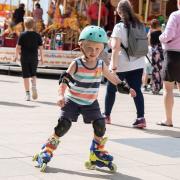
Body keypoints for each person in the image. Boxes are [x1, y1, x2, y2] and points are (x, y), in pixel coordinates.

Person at [32, 25, 136, 172]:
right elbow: (64, 80)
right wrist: (60, 95)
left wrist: (126, 88)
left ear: (102, 48)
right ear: (81, 46)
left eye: (97, 49)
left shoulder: (101, 64)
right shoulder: (77, 63)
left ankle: (96, 152)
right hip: (72, 100)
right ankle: (46, 150)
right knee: (63, 126)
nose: (93, 52)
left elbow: (113, 78)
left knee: (100, 124)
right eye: (89, 48)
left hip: (90, 102)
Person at [104, 0, 146, 127]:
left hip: (122, 63)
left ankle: (106, 115)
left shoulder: (119, 27)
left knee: (111, 90)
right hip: (138, 63)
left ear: (119, 11)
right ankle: (141, 118)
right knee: (137, 90)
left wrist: (113, 67)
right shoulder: (140, 24)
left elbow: (116, 48)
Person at [158, 0, 180, 127]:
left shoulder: (175, 15)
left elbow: (169, 34)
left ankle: (168, 120)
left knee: (168, 88)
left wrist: (161, 37)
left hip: (172, 54)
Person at [15, 17, 44, 101]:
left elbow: (18, 47)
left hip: (24, 58)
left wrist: (16, 56)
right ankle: (34, 86)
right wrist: (42, 58)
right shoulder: (37, 35)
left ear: (25, 25)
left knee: (26, 76)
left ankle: (27, 94)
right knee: (33, 74)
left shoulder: (22, 35)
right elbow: (41, 48)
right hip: (34, 58)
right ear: (33, 25)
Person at [148, 19, 163, 94]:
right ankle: (159, 86)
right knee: (160, 69)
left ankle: (155, 87)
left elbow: (149, 43)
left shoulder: (151, 33)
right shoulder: (161, 32)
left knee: (155, 70)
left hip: (154, 52)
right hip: (161, 51)